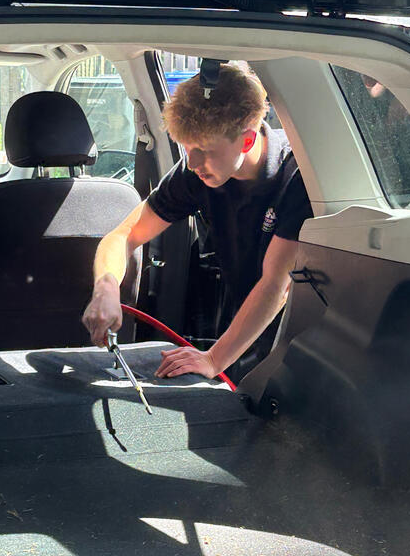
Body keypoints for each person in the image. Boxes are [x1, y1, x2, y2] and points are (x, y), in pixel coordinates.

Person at [82, 62, 313, 380]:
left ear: (246, 141)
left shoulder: (297, 178)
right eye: (188, 149)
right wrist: (106, 287)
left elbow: (275, 285)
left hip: (296, 350)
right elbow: (125, 234)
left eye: (203, 150)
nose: (192, 163)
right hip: (240, 340)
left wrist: (214, 359)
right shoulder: (197, 172)